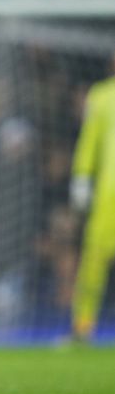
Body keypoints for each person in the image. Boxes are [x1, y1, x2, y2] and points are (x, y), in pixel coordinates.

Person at [70, 53, 115, 343]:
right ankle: (83, 326)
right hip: (109, 191)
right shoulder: (100, 95)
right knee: (94, 258)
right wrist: (82, 176)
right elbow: (90, 138)